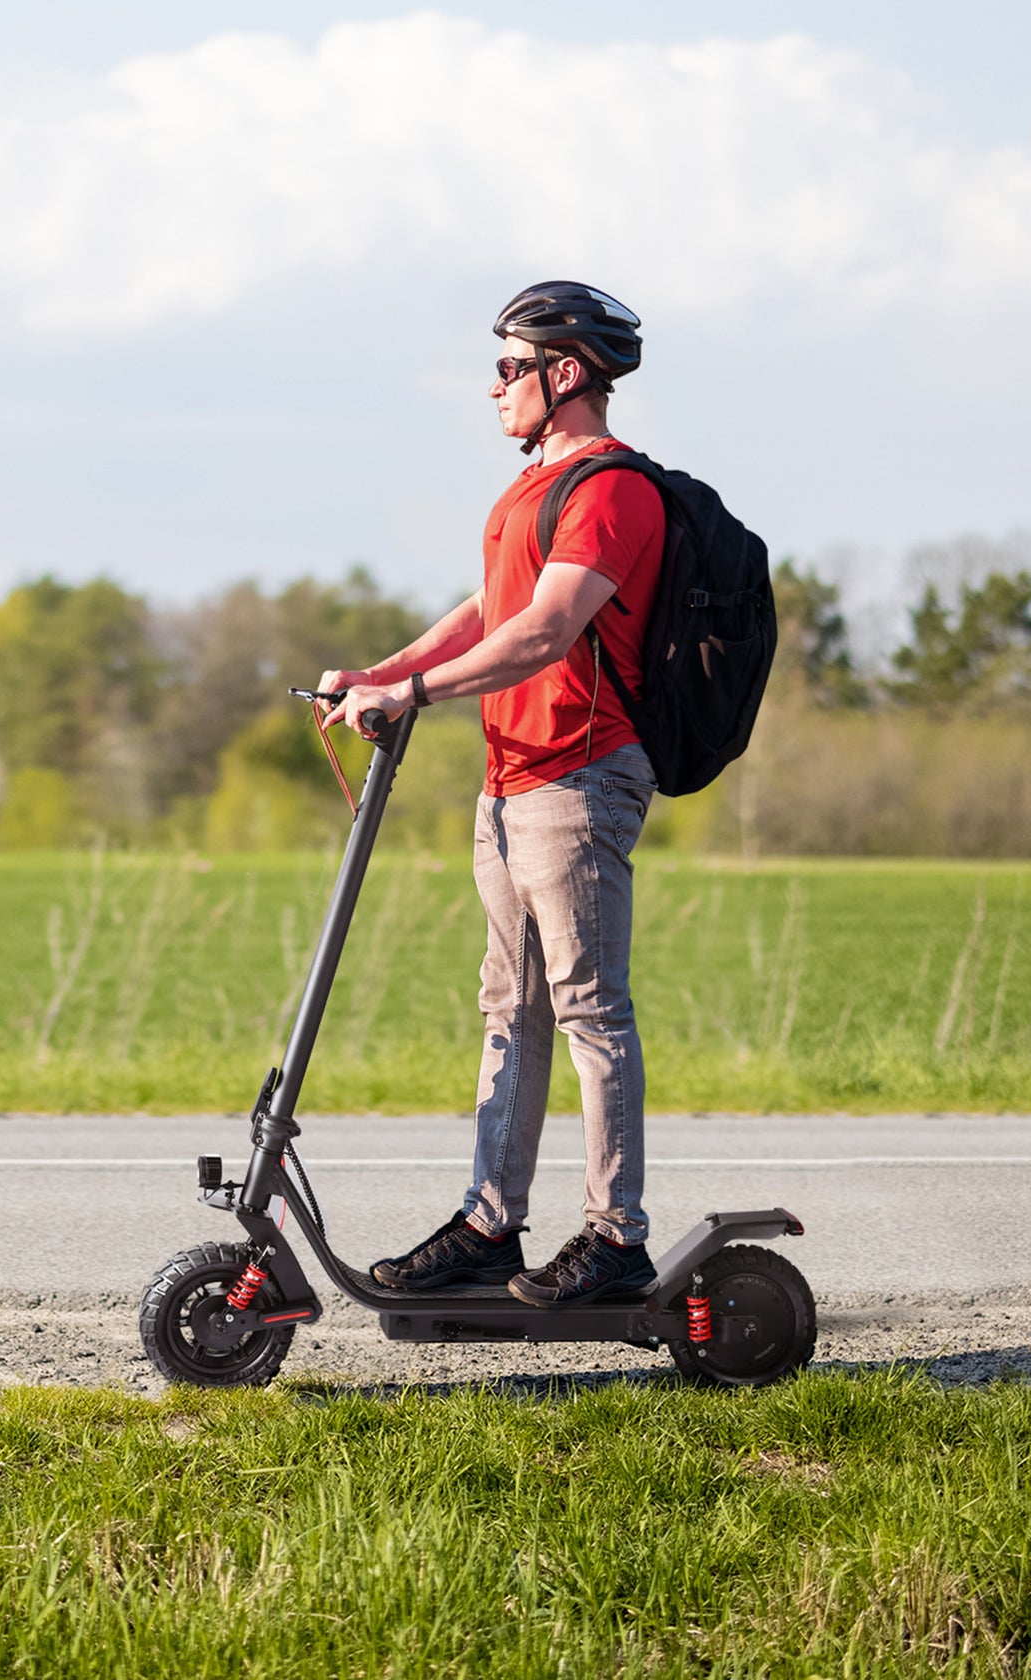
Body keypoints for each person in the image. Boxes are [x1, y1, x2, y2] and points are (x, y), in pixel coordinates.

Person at [320, 280, 664, 1307]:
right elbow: (488, 612)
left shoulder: (612, 491)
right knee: (508, 1007)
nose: (494, 388)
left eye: (511, 368)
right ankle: (489, 1223)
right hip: (510, 783)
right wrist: (381, 674)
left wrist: (412, 692)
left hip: (579, 776)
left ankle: (615, 1238)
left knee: (589, 1009)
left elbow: (543, 633)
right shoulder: (531, 495)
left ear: (568, 375)